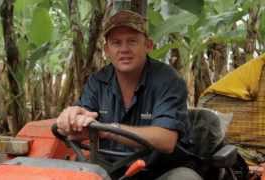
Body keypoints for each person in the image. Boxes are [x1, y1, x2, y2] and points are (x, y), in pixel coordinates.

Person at [56, 10, 203, 180]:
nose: (124, 49)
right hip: (112, 169)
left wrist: (108, 130)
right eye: (116, 43)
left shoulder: (168, 80)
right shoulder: (98, 81)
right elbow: (81, 122)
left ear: (148, 45)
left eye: (132, 41)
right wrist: (70, 119)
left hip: (161, 170)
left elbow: (166, 140)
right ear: (106, 49)